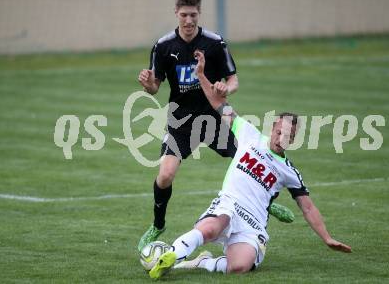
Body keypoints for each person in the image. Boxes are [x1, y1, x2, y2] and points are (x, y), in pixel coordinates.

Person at [148, 50, 352, 279]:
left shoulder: (289, 172)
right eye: (279, 131)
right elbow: (219, 103)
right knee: (211, 228)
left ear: (293, 140)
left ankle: (204, 262)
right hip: (229, 204)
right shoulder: (248, 134)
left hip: (253, 222)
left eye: (287, 135)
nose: (281, 137)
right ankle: (171, 256)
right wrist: (202, 75)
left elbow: (308, 207)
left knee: (239, 267)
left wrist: (327, 238)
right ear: (273, 127)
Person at [137, 0, 294, 251]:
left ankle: (267, 202)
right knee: (165, 176)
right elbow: (154, 87)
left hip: (214, 118)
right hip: (181, 122)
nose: (188, 20)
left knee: (251, 161)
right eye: (184, 15)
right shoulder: (163, 46)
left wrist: (225, 88)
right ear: (176, 12)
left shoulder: (214, 43)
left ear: (200, 14)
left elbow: (233, 81)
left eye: (193, 15)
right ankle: (158, 224)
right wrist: (148, 84)